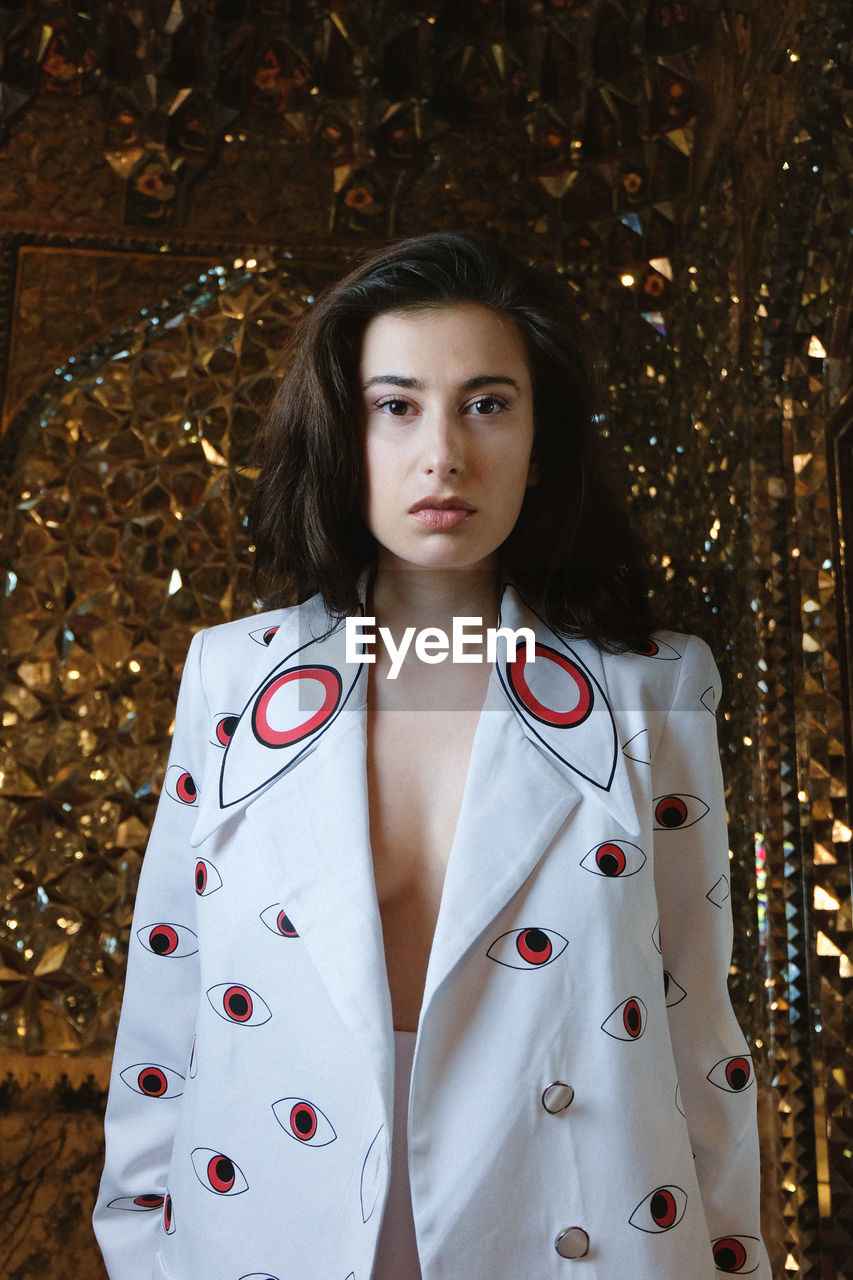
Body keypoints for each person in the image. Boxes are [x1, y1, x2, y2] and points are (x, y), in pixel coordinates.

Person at [93, 232, 770, 1280]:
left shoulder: (650, 687)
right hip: (269, 1228)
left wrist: (734, 1259)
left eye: (487, 403)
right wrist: (146, 1255)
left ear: (540, 440)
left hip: (570, 1232)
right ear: (342, 432)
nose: (442, 454)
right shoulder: (232, 677)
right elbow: (166, 1016)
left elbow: (698, 1031)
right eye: (395, 405)